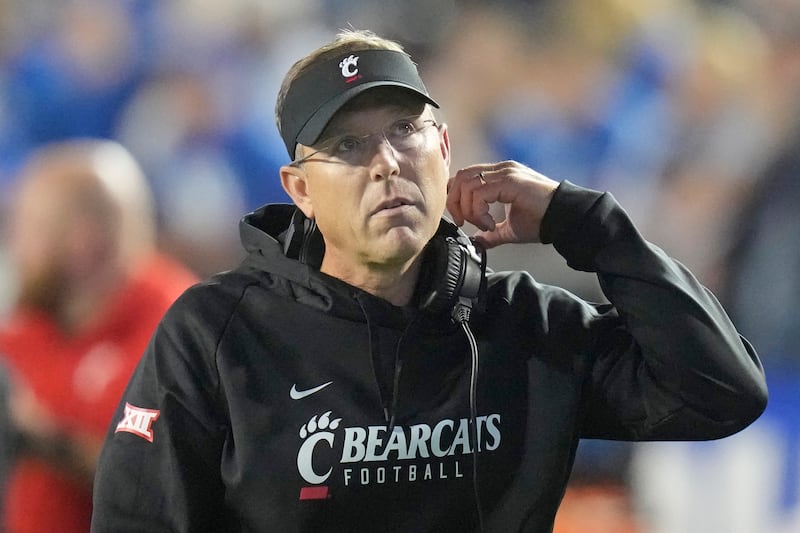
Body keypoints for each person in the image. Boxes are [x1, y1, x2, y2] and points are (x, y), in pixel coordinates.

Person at [90, 30, 768, 532]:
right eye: (349, 145)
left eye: (406, 130)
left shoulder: (524, 326)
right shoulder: (216, 332)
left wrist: (586, 224)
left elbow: (721, 393)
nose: (386, 162)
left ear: (443, 150)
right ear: (299, 190)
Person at [0, 139, 198, 532]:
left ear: (83, 238)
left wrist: (44, 439)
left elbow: (164, 477)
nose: (16, 248)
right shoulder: (34, 317)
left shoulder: (178, 333)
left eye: (30, 228)